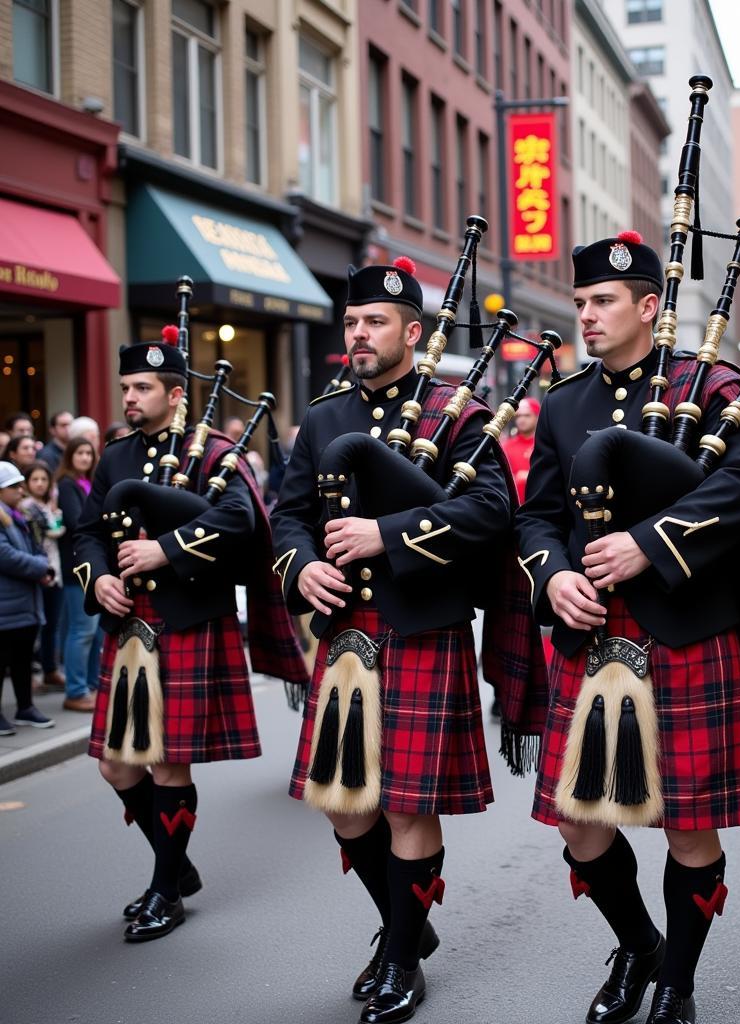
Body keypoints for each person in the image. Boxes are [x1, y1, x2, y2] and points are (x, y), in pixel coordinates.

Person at [515, 232, 740, 1024]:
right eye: (579, 303)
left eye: (603, 302)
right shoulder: (565, 402)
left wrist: (649, 544)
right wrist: (554, 574)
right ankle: (640, 943)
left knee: (688, 823)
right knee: (579, 822)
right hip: (590, 632)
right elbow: (537, 516)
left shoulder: (711, 385)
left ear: (650, 306)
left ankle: (676, 980)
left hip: (681, 630)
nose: (587, 316)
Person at [271, 258, 543, 1024]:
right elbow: (286, 515)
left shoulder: (456, 414)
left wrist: (383, 534)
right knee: (345, 808)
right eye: (352, 322)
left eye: (375, 322)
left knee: (405, 806)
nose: (359, 334)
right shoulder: (322, 418)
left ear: (413, 334)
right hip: (347, 632)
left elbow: (494, 511)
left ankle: (398, 959)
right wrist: (301, 570)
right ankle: (408, 925)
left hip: (423, 624)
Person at [74, 334, 306, 943]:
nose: (129, 397)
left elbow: (239, 520)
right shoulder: (114, 456)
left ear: (176, 396)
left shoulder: (214, 453)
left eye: (142, 388)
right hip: (128, 624)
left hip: (186, 618)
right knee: (116, 768)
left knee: (169, 764)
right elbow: (86, 532)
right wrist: (96, 577)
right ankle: (177, 868)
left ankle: (165, 889)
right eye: (125, 387)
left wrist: (164, 548)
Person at [0, 461, 54, 733]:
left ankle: (26, 707)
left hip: (24, 603)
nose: (21, 490)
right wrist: (41, 567)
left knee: (22, 659)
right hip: (5, 605)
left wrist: (43, 565)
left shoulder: (16, 515)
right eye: (14, 486)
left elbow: (36, 547)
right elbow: (6, 556)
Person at [56, 438, 102, 712]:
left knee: (94, 632)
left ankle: (92, 685)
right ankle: (75, 691)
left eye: (89, 453)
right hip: (75, 568)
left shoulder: (90, 482)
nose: (85, 457)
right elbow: (76, 522)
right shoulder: (66, 484)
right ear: (71, 456)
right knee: (81, 630)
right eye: (80, 453)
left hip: (92, 566)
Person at [19, 460, 65, 690]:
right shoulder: (26, 507)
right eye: (34, 479)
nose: (39, 484)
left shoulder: (48, 506)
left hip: (54, 568)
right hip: (38, 570)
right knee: (36, 627)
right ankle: (32, 675)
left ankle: (51, 669)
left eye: (43, 479)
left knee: (52, 625)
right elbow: (52, 532)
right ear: (26, 484)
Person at [500, 397, 540, 503]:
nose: (521, 419)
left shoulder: (544, 445)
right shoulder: (506, 446)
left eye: (527, 415)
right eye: (518, 416)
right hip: (514, 508)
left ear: (537, 417)